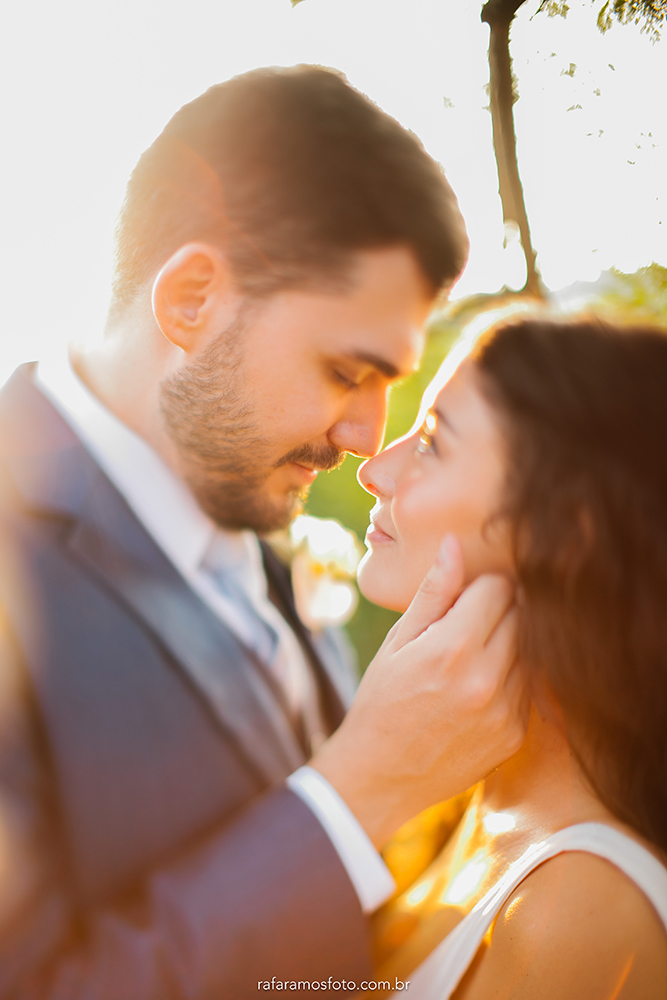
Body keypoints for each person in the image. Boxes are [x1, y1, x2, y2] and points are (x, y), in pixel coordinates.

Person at [0, 66, 526, 997]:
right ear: (191, 299)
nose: (369, 437)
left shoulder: (250, 507)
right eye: (344, 371)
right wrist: (360, 793)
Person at [355, 315, 667, 999]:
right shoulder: (465, 797)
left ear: (565, 537)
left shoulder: (584, 918)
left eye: (432, 442)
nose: (374, 468)